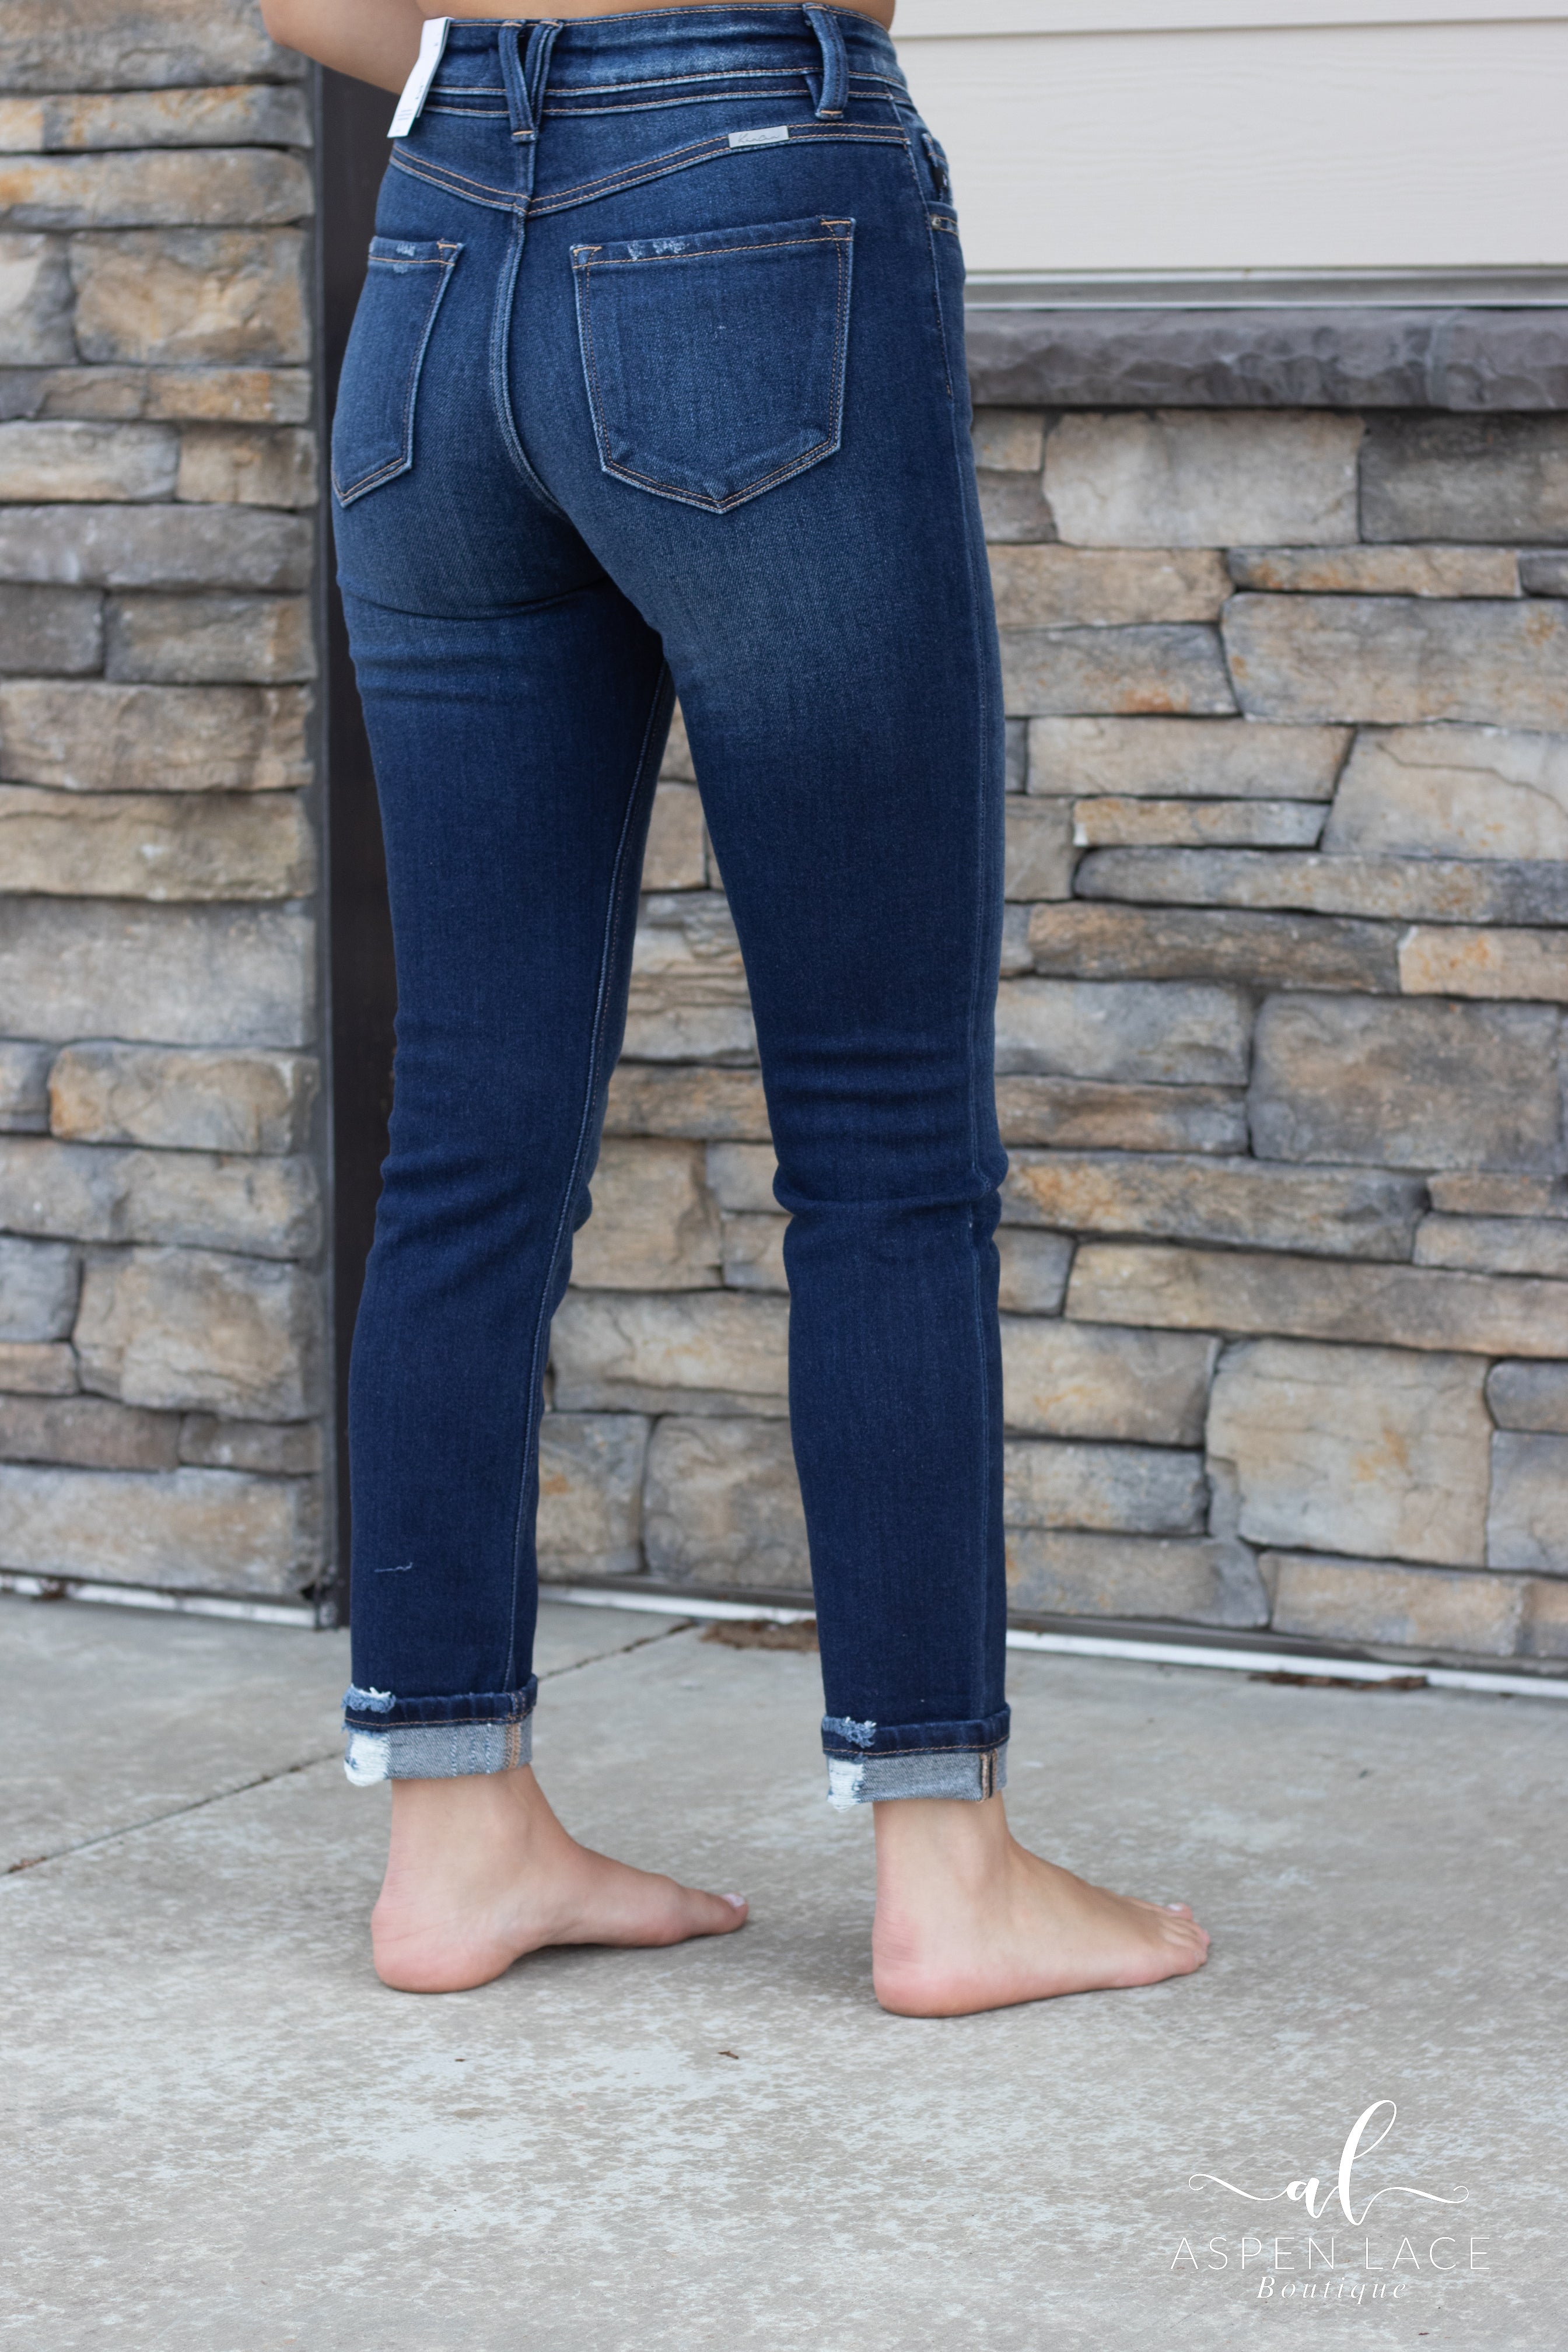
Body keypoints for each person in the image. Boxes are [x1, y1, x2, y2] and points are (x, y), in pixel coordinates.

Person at [260, 0, 1211, 2015]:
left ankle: (454, 1833)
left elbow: (299, 7)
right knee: (881, 1132)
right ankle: (946, 1867)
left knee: (468, 1122)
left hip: (435, 246)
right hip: (747, 210)